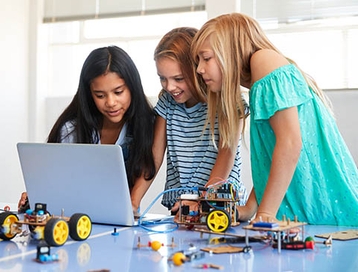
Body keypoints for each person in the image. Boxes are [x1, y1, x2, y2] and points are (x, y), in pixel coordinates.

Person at [192, 12, 358, 226]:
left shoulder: (264, 60)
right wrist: (251, 209)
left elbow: (290, 144)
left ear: (231, 50)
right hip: (312, 212)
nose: (199, 69)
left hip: (330, 210)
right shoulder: (259, 82)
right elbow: (272, 160)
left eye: (206, 58)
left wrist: (266, 214)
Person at [19, 46, 156, 213]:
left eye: (118, 92)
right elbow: (53, 180)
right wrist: (37, 195)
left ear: (133, 87)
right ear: (89, 94)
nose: (111, 102)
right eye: (100, 95)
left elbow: (145, 175)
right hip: (71, 218)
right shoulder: (71, 129)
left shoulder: (147, 126)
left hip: (119, 222)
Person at [133, 27, 247, 214]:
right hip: (181, 206)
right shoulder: (167, 102)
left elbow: (227, 154)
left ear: (199, 70)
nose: (170, 87)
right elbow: (154, 157)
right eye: (162, 78)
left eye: (178, 78)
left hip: (217, 206)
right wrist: (133, 201)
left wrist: (202, 201)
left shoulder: (227, 101)